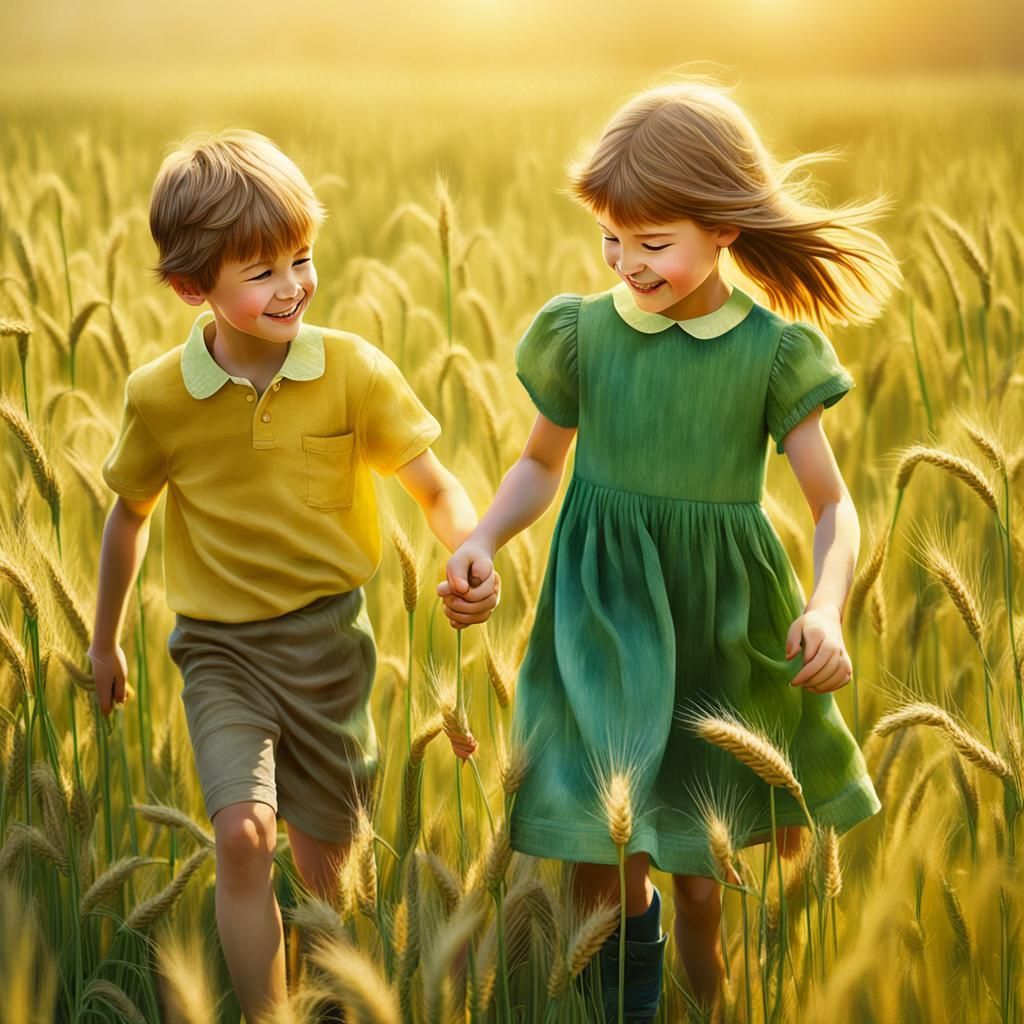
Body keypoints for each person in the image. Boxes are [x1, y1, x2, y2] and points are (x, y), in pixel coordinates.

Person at [438, 78, 900, 1021]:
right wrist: (482, 535)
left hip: (716, 629)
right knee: (601, 862)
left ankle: (704, 1000)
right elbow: (540, 462)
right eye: (611, 239)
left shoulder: (771, 354)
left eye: (651, 243)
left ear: (725, 227)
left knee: (698, 877)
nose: (625, 263)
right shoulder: (582, 334)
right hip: (601, 618)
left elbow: (833, 507)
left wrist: (826, 606)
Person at [87, 128, 498, 1023]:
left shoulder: (350, 370)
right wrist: (105, 639)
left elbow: (435, 487)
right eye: (262, 271)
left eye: (302, 259)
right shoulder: (159, 397)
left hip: (331, 648)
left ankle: (335, 1004)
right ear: (192, 287)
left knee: (328, 872)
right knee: (243, 836)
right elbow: (129, 516)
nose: (293, 285)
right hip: (220, 651)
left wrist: (469, 548)